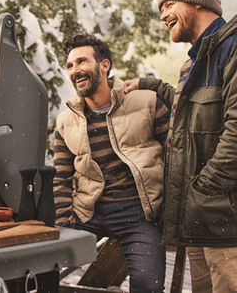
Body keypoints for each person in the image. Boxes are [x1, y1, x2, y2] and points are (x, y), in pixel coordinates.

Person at [124, 0, 237, 293]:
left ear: (198, 2)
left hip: (229, 226)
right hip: (199, 222)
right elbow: (187, 110)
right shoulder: (193, 64)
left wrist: (205, 188)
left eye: (169, 4)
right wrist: (148, 85)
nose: (162, 14)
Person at [53, 33, 170, 293]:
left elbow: (176, 155)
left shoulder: (147, 101)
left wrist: (167, 210)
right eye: (70, 65)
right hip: (88, 213)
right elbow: (60, 176)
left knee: (148, 286)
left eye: (82, 61)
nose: (75, 71)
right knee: (39, 271)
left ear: (104, 65)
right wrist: (64, 222)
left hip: (139, 215)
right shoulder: (65, 121)